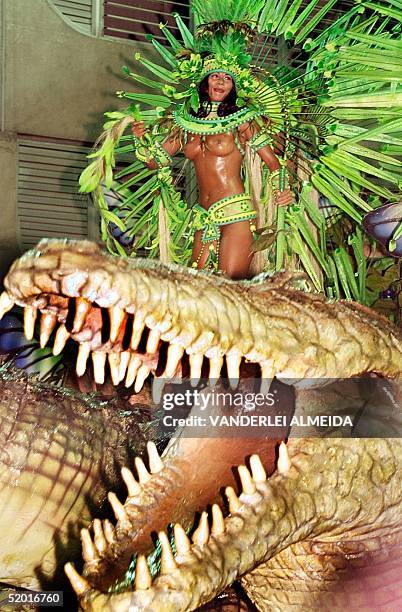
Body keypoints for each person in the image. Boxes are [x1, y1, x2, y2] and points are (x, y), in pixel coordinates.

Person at [131, 71, 293, 279]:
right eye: (214, 76)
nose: (220, 81)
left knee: (229, 287)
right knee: (200, 288)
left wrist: (282, 189)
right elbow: (154, 162)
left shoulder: (242, 121)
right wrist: (141, 139)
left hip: (235, 212)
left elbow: (273, 162)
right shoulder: (185, 124)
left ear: (233, 87)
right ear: (204, 83)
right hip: (203, 216)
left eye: (227, 78)